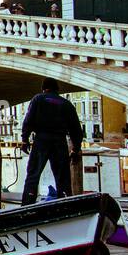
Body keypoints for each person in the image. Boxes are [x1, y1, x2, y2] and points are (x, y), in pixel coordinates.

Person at [20, 77, 84, 205]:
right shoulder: (66, 104)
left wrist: (24, 139)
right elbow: (76, 129)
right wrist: (75, 148)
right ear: (57, 89)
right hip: (59, 141)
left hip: (41, 139)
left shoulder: (38, 99)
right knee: (62, 177)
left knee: (33, 174)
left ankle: (27, 203)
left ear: (44, 88)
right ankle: (64, 203)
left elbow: (28, 120)